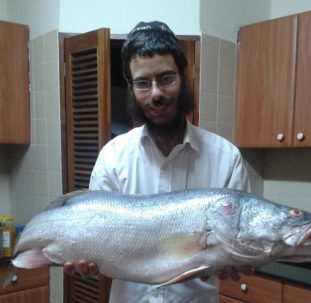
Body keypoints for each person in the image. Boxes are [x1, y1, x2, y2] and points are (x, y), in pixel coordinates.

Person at [64, 21, 249, 303]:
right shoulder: (113, 158)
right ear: (130, 86)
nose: (156, 94)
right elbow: (96, 237)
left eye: (165, 78)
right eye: (142, 83)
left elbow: (237, 244)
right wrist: (85, 259)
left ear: (184, 77)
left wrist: (234, 260)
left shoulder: (227, 159)